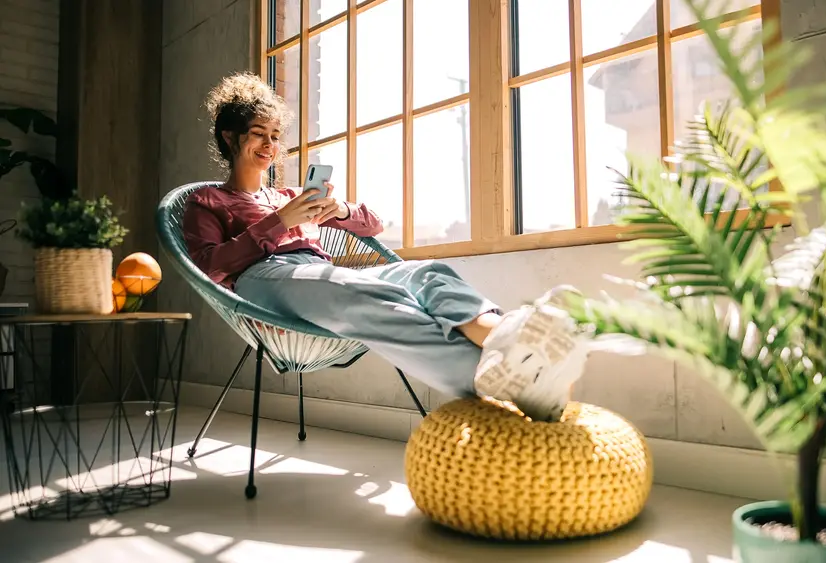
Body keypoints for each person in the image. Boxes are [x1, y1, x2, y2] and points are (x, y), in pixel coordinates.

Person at [182, 72, 592, 422]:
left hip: (315, 272)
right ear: (230, 137)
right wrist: (281, 221)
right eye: (258, 135)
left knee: (422, 273)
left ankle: (503, 339)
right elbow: (209, 266)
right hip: (263, 279)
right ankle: (500, 377)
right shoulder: (207, 201)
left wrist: (337, 209)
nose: (270, 146)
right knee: (361, 291)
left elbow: (373, 223)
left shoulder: (289, 193)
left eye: (275, 136)